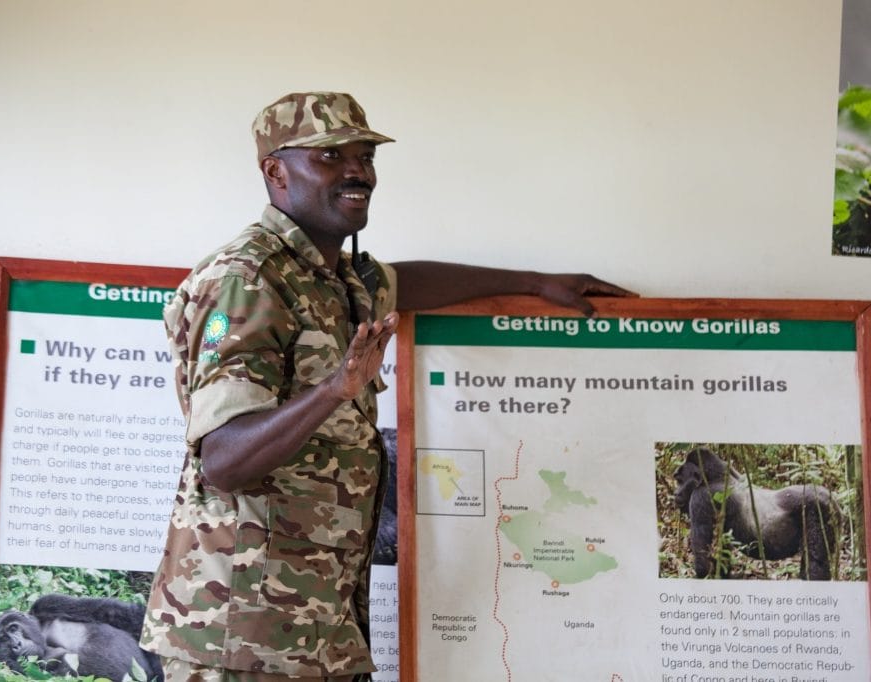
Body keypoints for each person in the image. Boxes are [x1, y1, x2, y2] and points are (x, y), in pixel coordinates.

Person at [140, 91, 634, 682]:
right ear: (275, 171)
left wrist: (535, 282)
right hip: (240, 636)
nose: (357, 172)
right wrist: (332, 390)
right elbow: (224, 460)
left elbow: (408, 281)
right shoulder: (246, 280)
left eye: (365, 156)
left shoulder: (335, 275)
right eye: (330, 157)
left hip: (317, 631)